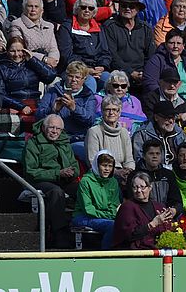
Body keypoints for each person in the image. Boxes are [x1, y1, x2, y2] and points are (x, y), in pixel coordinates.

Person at [22, 114, 79, 249]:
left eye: (58, 129)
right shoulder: (33, 143)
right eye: (51, 127)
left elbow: (75, 166)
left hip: (64, 179)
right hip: (41, 180)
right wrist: (57, 173)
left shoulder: (65, 143)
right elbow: (31, 172)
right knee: (56, 192)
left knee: (82, 188)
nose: (54, 131)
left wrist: (71, 172)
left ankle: (82, 226)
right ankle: (59, 232)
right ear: (43, 127)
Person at [71, 149, 121, 249]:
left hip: (105, 216)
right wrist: (108, 215)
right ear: (97, 166)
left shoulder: (113, 182)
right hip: (83, 216)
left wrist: (110, 214)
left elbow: (114, 204)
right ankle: (106, 254)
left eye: (110, 166)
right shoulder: (85, 181)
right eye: (104, 165)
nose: (107, 169)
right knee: (112, 225)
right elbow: (87, 209)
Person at [112, 171, 173, 249]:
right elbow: (129, 235)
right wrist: (152, 224)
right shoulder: (127, 207)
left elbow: (167, 230)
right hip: (135, 252)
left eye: (142, 187)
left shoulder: (159, 206)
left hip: (158, 250)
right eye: (135, 187)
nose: (138, 190)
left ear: (150, 187)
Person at [85, 93, 135, 183]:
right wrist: (116, 172)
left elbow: (129, 159)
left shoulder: (124, 132)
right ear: (102, 111)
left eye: (115, 110)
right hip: (102, 176)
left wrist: (129, 171)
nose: (111, 113)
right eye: (107, 109)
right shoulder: (94, 132)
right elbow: (92, 161)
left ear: (119, 113)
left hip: (123, 173)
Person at [132, 138, 183, 217]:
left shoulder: (169, 175)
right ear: (144, 156)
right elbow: (132, 202)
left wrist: (174, 210)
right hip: (143, 217)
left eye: (158, 153)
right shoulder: (135, 176)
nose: (155, 156)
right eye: (151, 153)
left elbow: (177, 201)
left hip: (166, 216)